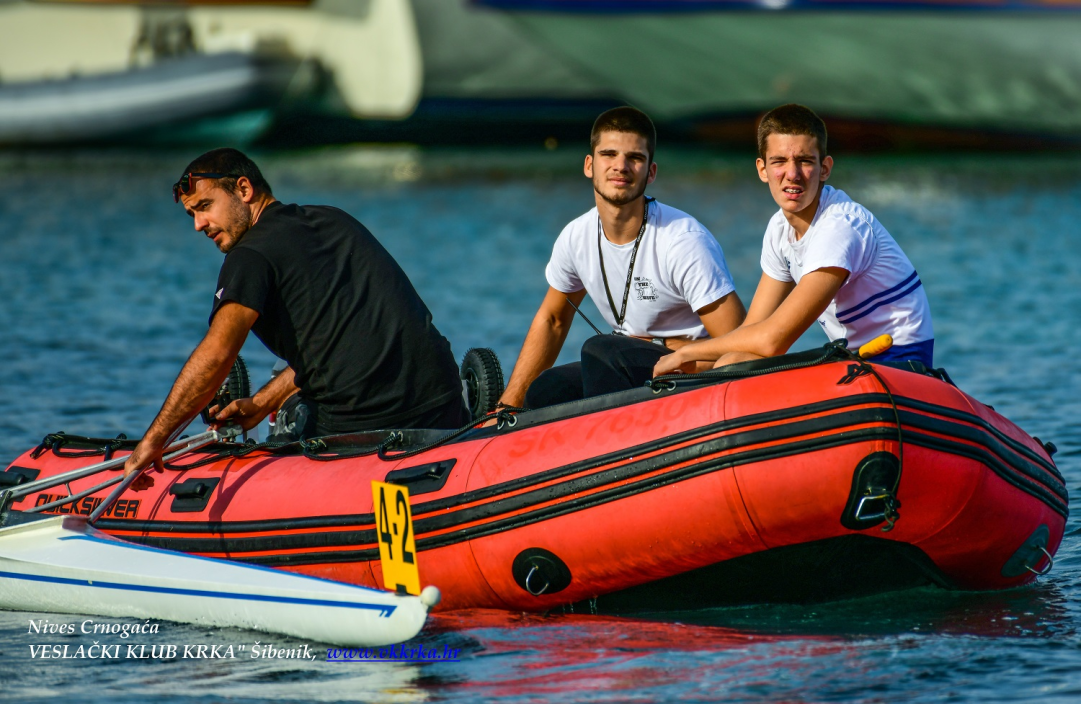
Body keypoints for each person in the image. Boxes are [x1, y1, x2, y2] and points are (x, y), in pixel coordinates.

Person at [123, 148, 465, 485]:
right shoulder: (333, 219)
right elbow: (340, 343)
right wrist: (262, 401)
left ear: (244, 190)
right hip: (444, 407)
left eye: (205, 206)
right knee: (283, 397)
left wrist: (154, 441)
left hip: (366, 430)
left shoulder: (250, 255)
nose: (199, 225)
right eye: (192, 214)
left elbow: (217, 354)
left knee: (290, 419)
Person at [654, 104, 934, 377]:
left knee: (736, 363)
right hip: (855, 359)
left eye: (804, 161)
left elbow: (773, 341)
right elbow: (753, 328)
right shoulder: (779, 229)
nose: (792, 174)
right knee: (733, 360)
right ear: (762, 170)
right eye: (779, 161)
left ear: (825, 168)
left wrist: (687, 352)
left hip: (903, 362)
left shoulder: (839, 227)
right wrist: (691, 366)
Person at [497, 106, 746, 410]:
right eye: (609, 154)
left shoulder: (683, 241)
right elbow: (552, 320)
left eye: (635, 158)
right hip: (623, 366)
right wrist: (507, 407)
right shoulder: (576, 237)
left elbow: (741, 344)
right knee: (545, 391)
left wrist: (665, 349)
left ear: (651, 172)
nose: (621, 166)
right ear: (589, 165)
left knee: (603, 351)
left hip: (689, 372)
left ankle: (620, 449)